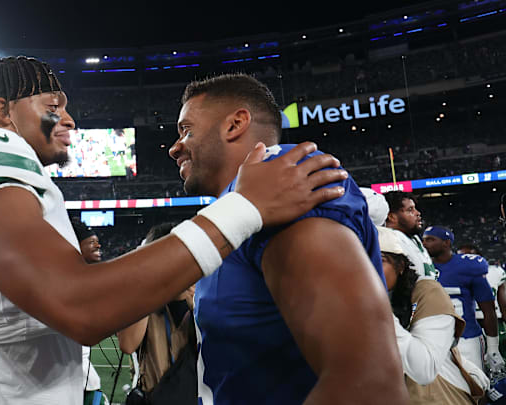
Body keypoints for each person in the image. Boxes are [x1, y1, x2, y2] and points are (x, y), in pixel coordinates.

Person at [0, 56, 350, 404]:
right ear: (2, 111)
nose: (68, 121)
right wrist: (244, 209)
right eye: (53, 108)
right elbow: (80, 306)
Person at [167, 73, 406, 403]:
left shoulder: (286, 182)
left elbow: (368, 385)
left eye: (187, 130)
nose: (174, 147)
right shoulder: (240, 207)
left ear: (235, 124)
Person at [378, 226, 488, 404]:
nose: (370, 268)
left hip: (438, 389)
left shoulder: (425, 290)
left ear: (401, 265)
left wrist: (374, 308)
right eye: (362, 261)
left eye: (380, 260)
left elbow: (424, 370)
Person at [118, 222, 197, 405]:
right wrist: (149, 286)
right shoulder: (145, 299)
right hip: (154, 396)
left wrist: (194, 301)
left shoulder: (200, 294)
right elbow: (128, 345)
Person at [422, 225, 505, 374]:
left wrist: (492, 348)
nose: (424, 243)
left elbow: (489, 310)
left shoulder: (468, 266)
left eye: (430, 239)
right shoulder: (421, 267)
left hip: (467, 338)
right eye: (424, 239)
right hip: (434, 340)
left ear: (446, 243)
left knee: (476, 387)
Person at [71, 221, 106, 405]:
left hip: (85, 380)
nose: (98, 245)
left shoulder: (85, 282)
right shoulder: (65, 282)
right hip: (70, 380)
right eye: (92, 242)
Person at [458, 244, 506, 356]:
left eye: (469, 256)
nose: (466, 259)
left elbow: (502, 299)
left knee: (499, 354)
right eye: (461, 257)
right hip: (467, 320)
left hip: (494, 319)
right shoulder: (452, 274)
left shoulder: (495, 271)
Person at [383, 191, 439, 279]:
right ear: (392, 217)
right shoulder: (389, 241)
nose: (417, 213)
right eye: (410, 210)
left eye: (415, 208)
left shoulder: (412, 238)